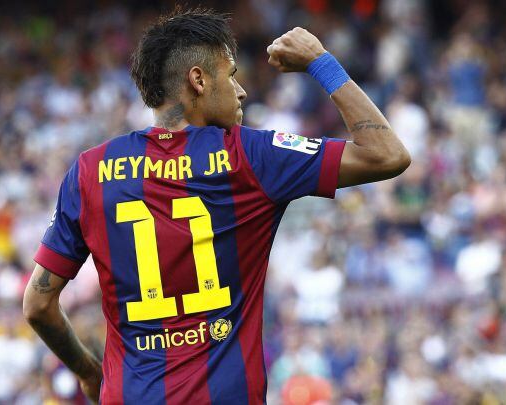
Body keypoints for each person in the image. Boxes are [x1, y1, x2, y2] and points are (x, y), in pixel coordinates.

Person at [21, 7, 410, 404]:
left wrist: (89, 372)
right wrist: (319, 61)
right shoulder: (252, 157)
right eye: (232, 75)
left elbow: (37, 305)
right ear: (199, 80)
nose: (241, 91)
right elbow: (387, 155)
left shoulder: (90, 171)